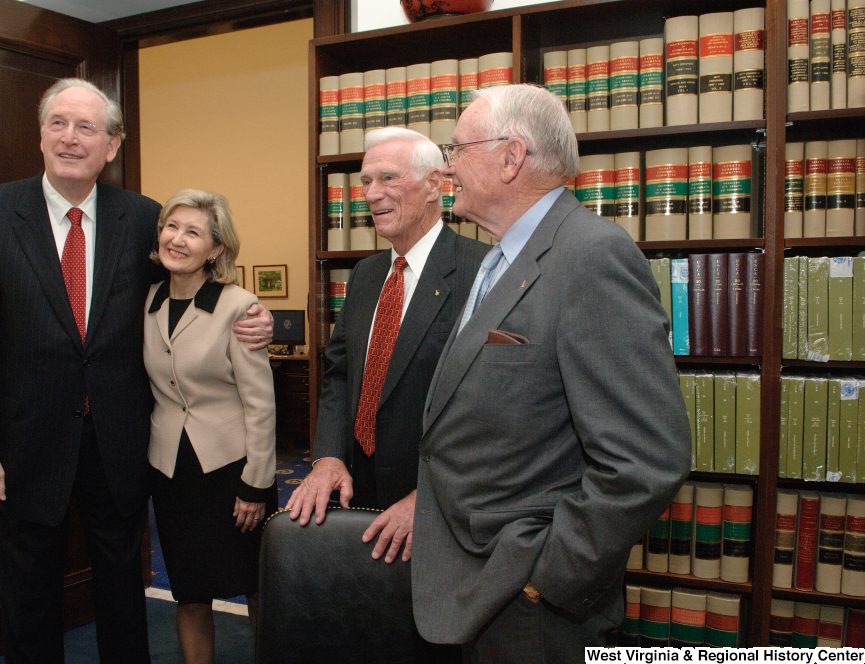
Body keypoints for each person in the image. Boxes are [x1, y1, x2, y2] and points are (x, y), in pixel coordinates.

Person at [0, 78, 273, 664]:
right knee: (28, 601)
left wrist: (254, 316)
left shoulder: (145, 218)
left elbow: (188, 292)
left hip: (123, 445)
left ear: (112, 144)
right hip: (27, 447)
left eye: (87, 128)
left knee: (124, 596)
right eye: (59, 124)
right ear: (41, 134)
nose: (71, 139)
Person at [412, 84, 692, 661]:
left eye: (458, 148)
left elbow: (646, 459)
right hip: (472, 581)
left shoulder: (590, 255)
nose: (446, 165)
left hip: (530, 604)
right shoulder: (500, 256)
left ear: (511, 157)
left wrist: (549, 579)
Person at [287, 127, 486, 564]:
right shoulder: (364, 275)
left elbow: (487, 409)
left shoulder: (482, 272)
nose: (371, 194)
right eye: (365, 181)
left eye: (388, 178)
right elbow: (339, 375)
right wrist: (326, 459)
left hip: (436, 507)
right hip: (356, 495)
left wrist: (430, 498)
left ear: (435, 184)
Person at [145, 189, 276, 664]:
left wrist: (256, 485)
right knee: (189, 590)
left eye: (193, 232)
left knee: (255, 584)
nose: (177, 239)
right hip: (171, 471)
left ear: (216, 249)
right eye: (171, 226)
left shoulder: (238, 306)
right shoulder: (148, 301)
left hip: (231, 469)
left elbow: (260, 403)